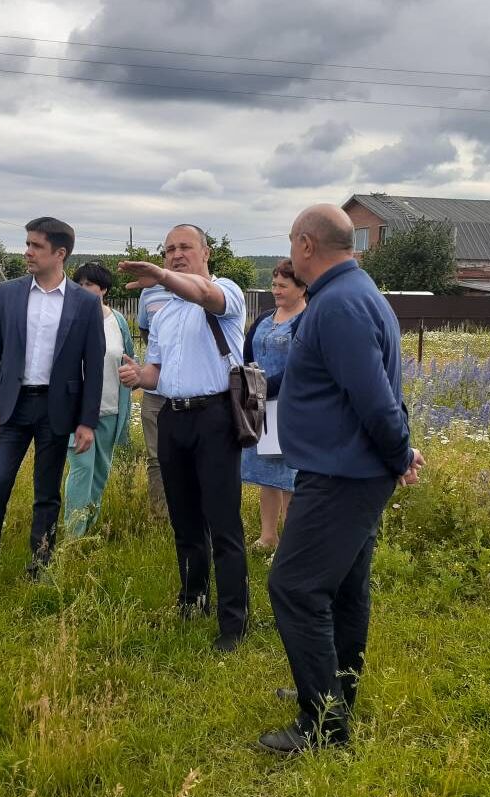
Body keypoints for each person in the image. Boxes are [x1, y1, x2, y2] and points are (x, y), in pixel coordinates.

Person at [258, 204, 425, 753]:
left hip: (342, 475)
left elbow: (375, 400)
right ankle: (333, 693)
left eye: (290, 241)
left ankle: (323, 725)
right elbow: (363, 389)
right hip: (346, 468)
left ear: (307, 245)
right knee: (344, 589)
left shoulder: (339, 305)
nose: (289, 251)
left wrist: (399, 454)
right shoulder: (351, 295)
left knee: (295, 586)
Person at [0, 217, 105, 612]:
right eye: (26, 244)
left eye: (36, 246)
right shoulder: (7, 294)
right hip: (11, 408)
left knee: (46, 494)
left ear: (60, 254)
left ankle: (40, 567)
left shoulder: (85, 302)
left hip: (58, 409)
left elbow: (92, 364)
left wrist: (87, 420)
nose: (27, 252)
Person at [118, 224, 249, 652]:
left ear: (206, 252)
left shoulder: (225, 291)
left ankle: (234, 623)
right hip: (173, 419)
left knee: (224, 525)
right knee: (185, 522)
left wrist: (160, 276)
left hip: (214, 418)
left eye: (184, 247)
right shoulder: (163, 309)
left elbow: (203, 295)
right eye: (169, 249)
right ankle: (192, 601)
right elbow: (156, 370)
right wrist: (139, 376)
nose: (175, 255)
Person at [62, 261, 135, 540]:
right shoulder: (69, 318)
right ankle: (73, 536)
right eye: (78, 284)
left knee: (100, 473)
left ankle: (90, 528)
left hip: (111, 409)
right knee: (81, 470)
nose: (82, 289)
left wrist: (132, 373)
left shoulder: (117, 321)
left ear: (103, 289)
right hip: (77, 414)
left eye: (89, 285)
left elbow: (128, 358)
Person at [241, 259, 307, 551]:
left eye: (283, 285)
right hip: (260, 406)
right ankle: (268, 536)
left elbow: (300, 366)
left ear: (302, 287)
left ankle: (292, 543)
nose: (276, 290)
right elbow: (247, 352)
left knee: (289, 476)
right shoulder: (266, 317)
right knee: (267, 474)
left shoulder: (306, 320)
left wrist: (263, 388)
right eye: (274, 284)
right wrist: (250, 385)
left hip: (289, 407)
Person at [136, 284, 175, 516]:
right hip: (154, 392)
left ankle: (186, 512)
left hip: (187, 394)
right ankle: (160, 514)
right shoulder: (148, 292)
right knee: (156, 456)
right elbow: (145, 332)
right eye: (168, 252)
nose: (174, 257)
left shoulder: (202, 288)